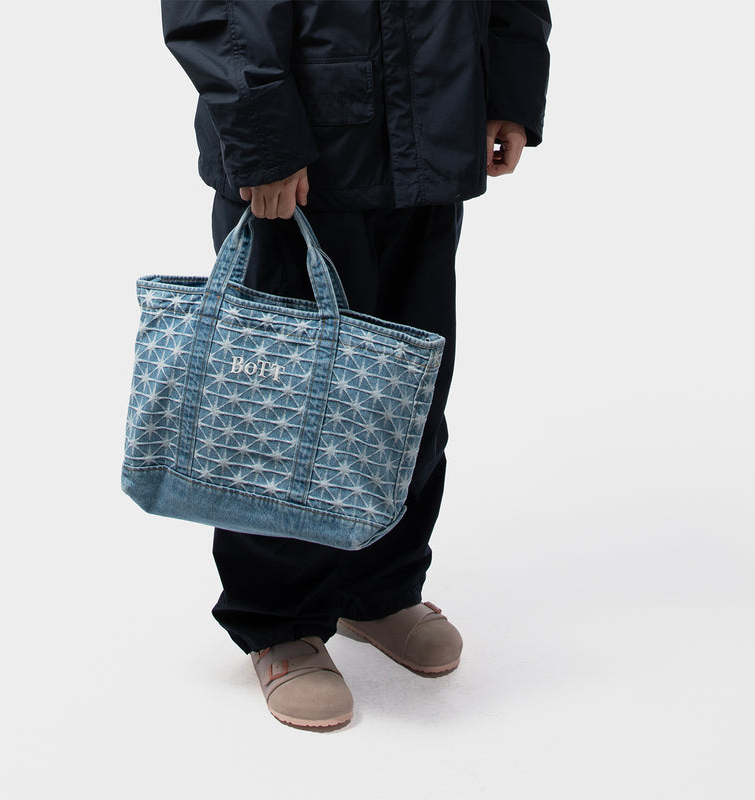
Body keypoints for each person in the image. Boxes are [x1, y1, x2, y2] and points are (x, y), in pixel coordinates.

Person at [160, 0, 551, 731]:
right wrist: (264, 133)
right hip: (305, 150)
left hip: (433, 127)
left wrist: (506, 86)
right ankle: (279, 618)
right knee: (284, 402)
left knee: (407, 388)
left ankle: (378, 587)